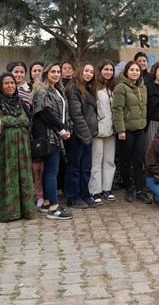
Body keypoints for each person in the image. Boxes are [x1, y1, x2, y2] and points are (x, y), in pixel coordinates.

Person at [0, 73, 36, 222]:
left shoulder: (20, 102)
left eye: (12, 83)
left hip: (23, 150)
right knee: (5, 178)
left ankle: (24, 210)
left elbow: (29, 121)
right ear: (0, 86)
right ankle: (4, 211)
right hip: (3, 150)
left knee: (22, 178)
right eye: (6, 83)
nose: (10, 86)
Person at [31, 62, 74, 220]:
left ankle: (47, 202)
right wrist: (61, 129)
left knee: (50, 169)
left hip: (56, 134)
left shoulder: (58, 89)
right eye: (53, 71)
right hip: (48, 135)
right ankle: (54, 209)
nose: (56, 74)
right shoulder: (42, 90)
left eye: (58, 71)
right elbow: (45, 113)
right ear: (46, 73)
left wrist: (66, 129)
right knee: (51, 171)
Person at [113, 61, 152, 204]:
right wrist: (120, 130)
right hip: (126, 130)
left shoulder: (143, 87)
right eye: (132, 70)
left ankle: (140, 191)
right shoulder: (121, 87)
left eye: (137, 70)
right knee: (125, 161)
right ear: (126, 72)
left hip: (140, 129)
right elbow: (117, 109)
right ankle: (128, 189)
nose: (135, 72)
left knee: (138, 160)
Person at [65, 62, 99, 209]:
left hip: (88, 135)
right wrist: (86, 134)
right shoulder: (74, 89)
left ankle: (84, 194)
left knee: (86, 167)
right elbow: (76, 115)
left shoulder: (88, 89)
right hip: (77, 135)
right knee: (75, 167)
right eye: (86, 71)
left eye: (91, 72)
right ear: (80, 71)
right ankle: (73, 197)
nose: (89, 74)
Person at [90, 59, 117, 202]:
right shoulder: (93, 88)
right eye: (106, 69)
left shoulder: (113, 88)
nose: (109, 72)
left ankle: (107, 189)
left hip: (111, 130)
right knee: (96, 161)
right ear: (99, 71)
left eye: (111, 70)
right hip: (98, 131)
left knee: (109, 161)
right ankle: (94, 191)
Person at [28, 60, 45, 207]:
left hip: (43, 131)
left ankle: (42, 194)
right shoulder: (27, 88)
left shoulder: (47, 89)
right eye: (34, 70)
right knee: (34, 167)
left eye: (40, 70)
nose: (37, 73)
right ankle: (36, 194)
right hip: (30, 131)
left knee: (42, 166)